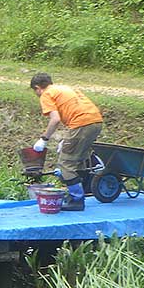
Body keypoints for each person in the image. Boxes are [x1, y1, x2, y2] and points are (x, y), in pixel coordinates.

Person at [30, 73, 104, 211]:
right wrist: (67, 138)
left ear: (37, 88)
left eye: (36, 92)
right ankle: (80, 194)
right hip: (95, 122)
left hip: (80, 124)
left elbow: (55, 119)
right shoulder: (64, 88)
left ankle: (76, 200)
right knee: (79, 160)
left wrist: (44, 139)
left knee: (66, 164)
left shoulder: (46, 94)